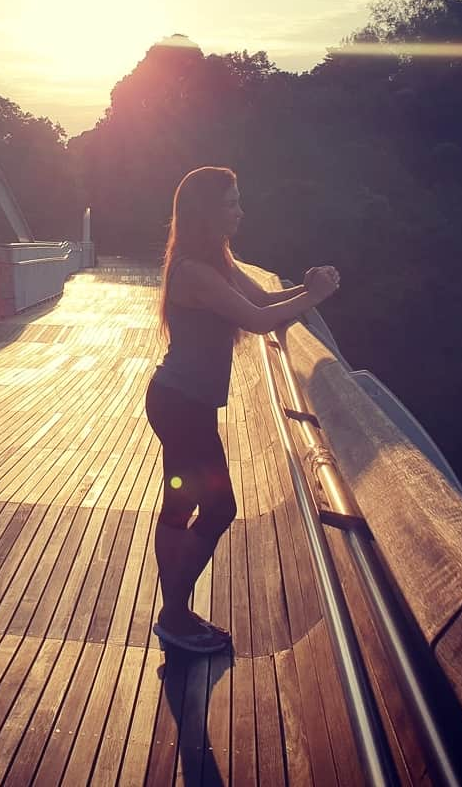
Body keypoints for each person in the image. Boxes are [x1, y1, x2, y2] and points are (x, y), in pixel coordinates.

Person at [147, 166, 340, 654]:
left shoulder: (217, 260)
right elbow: (256, 321)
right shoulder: (193, 269)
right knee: (218, 508)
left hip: (184, 402)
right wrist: (314, 296)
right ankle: (173, 615)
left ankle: (176, 612)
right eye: (232, 203)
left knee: (181, 503)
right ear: (207, 211)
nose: (240, 211)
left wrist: (308, 289)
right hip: (181, 405)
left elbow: (267, 299)